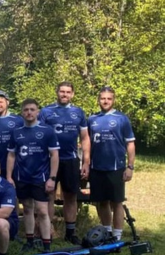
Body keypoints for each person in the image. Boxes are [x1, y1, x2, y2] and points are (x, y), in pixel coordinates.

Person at [38, 82, 90, 244]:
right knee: (49, 195)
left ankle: (70, 232)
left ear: (72, 94)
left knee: (71, 196)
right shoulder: (46, 111)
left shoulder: (78, 112)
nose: (64, 94)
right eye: (62, 91)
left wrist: (86, 162)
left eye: (68, 92)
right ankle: (48, 230)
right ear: (57, 92)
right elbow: (39, 135)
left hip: (70, 160)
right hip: (49, 160)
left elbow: (85, 138)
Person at [7, 99, 59, 252]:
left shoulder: (47, 130)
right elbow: (11, 156)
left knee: (42, 211)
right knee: (28, 209)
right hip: (22, 177)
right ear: (22, 112)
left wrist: (52, 178)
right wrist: (9, 177)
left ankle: (46, 245)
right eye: (26, 110)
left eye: (32, 109)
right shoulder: (16, 132)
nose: (29, 112)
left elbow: (54, 155)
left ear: (37, 111)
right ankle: (29, 241)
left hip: (40, 178)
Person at [88, 86, 135, 241]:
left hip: (116, 167)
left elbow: (130, 144)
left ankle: (117, 236)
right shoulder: (92, 119)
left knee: (117, 203)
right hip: (96, 167)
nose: (106, 101)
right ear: (98, 100)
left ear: (113, 100)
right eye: (103, 98)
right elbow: (86, 142)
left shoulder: (122, 119)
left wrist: (130, 167)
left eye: (109, 98)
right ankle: (107, 233)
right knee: (102, 202)